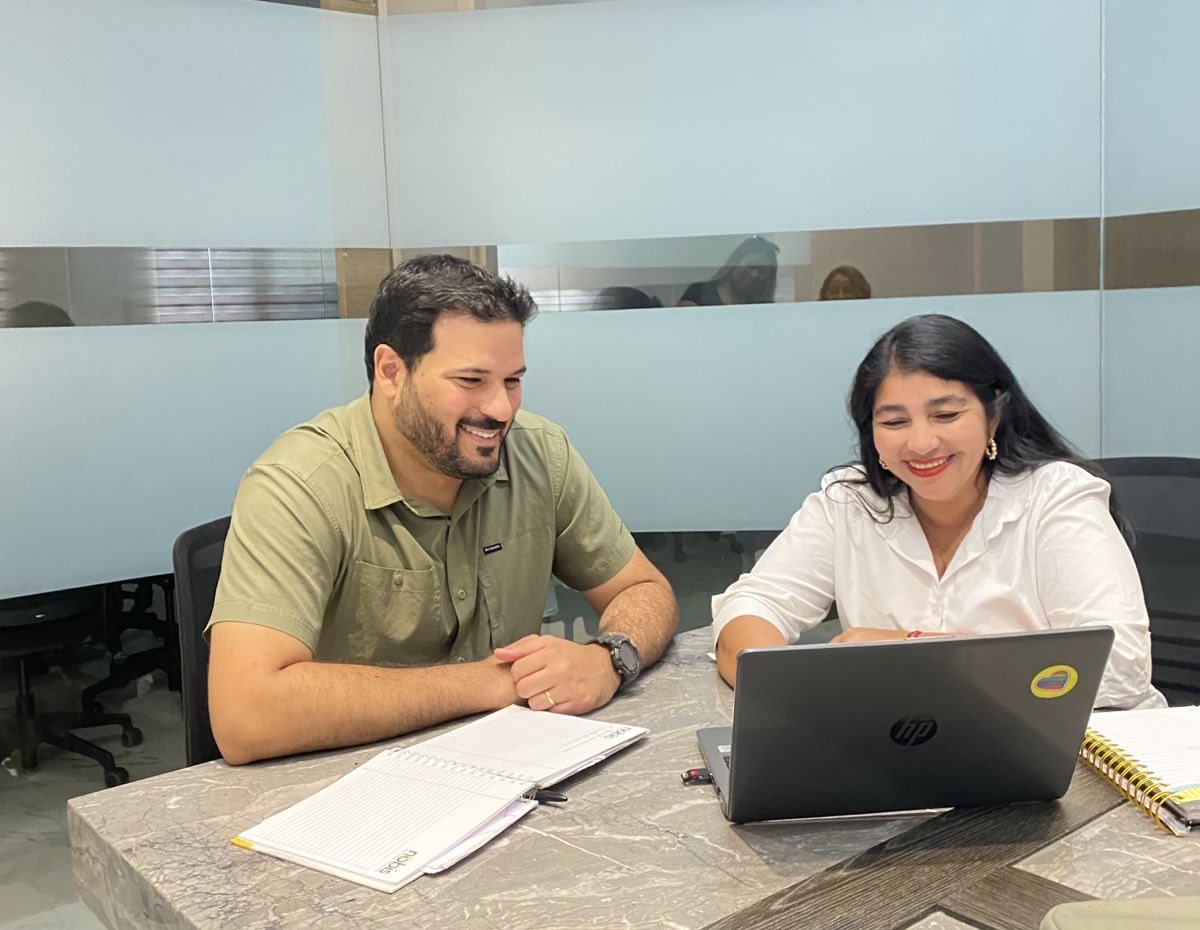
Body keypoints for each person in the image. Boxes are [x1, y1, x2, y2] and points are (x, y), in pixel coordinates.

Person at [208, 254, 678, 764]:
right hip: (344, 783)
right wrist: (490, 683)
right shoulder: (299, 484)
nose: (501, 409)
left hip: (512, 767)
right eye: (471, 381)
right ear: (392, 372)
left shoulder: (540, 452)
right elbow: (245, 714)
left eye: (513, 380)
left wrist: (608, 658)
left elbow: (643, 589)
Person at [713, 313, 1160, 710]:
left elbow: (1119, 667)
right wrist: (792, 691)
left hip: (1078, 753)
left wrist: (906, 650)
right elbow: (755, 603)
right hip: (906, 745)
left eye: (945, 415)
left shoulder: (1057, 497)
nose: (922, 443)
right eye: (894, 421)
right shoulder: (849, 501)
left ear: (993, 415)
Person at [679, 236, 779, 307]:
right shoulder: (699, 292)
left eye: (762, 271)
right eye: (750, 266)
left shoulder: (764, 306)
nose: (754, 275)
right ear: (733, 264)